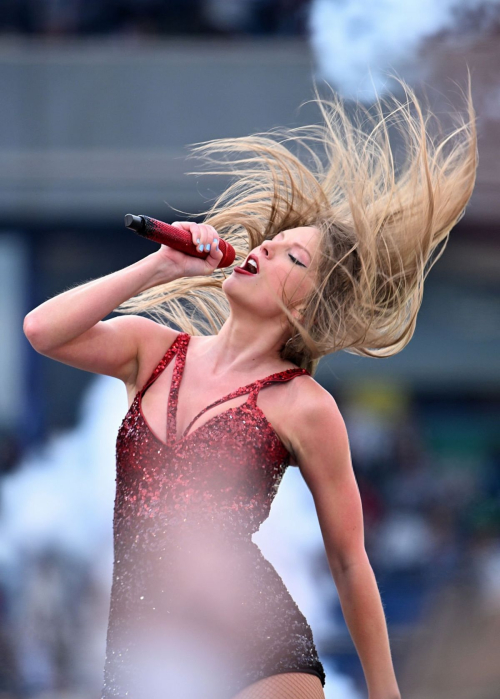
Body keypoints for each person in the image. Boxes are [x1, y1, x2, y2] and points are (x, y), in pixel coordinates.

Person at [24, 75, 477, 699]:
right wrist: (162, 263)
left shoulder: (303, 405)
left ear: (311, 304)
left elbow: (350, 562)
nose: (265, 250)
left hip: (258, 653)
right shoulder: (153, 351)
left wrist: (385, 693)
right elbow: (42, 330)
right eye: (271, 242)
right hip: (141, 653)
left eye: (292, 257)